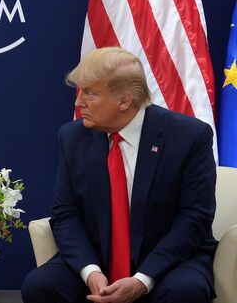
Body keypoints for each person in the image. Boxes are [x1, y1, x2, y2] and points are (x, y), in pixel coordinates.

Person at [22, 47, 217, 303]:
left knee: (185, 292)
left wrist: (142, 279)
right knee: (40, 285)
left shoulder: (189, 137)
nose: (78, 102)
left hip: (170, 261)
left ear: (125, 101)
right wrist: (90, 271)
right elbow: (65, 214)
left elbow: (194, 219)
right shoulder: (73, 137)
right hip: (98, 258)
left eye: (90, 93)